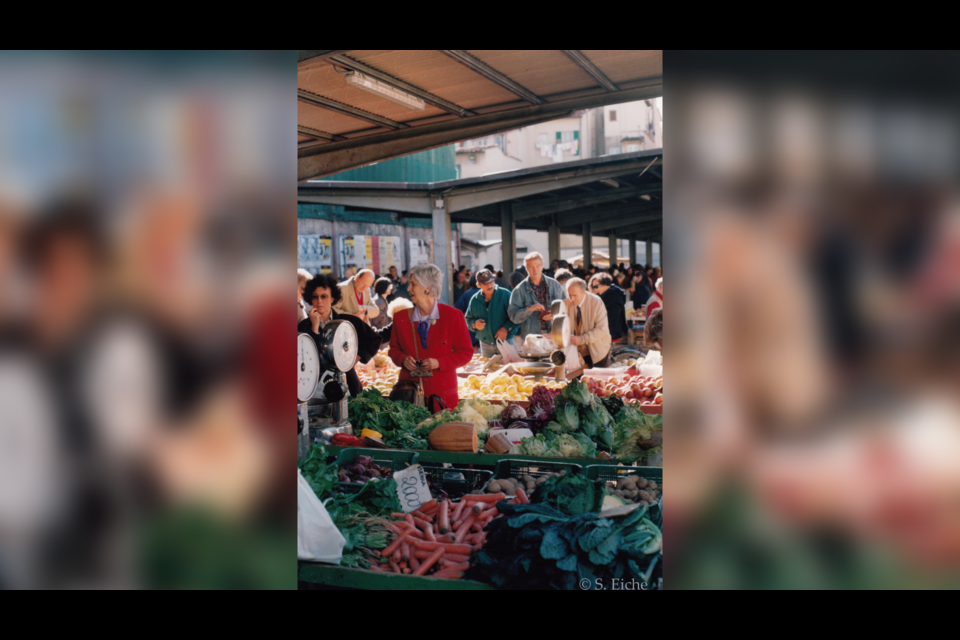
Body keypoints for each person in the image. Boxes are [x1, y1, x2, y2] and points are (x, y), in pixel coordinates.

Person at [388, 264, 473, 412]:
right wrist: (402, 358)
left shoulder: (453, 315)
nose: (408, 289)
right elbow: (393, 349)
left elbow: (466, 352)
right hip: (409, 396)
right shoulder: (400, 317)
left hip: (443, 396)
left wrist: (439, 362)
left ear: (427, 287)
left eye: (413, 284)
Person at [298, 274, 387, 397]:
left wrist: (351, 360)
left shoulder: (347, 321)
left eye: (324, 296)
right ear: (310, 299)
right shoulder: (303, 326)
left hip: (347, 384)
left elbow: (374, 339)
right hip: (314, 388)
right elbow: (304, 358)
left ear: (332, 298)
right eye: (315, 297)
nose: (319, 301)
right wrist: (314, 329)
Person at [508, 252, 567, 342]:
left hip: (553, 335)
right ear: (526, 268)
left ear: (542, 265)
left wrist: (554, 314)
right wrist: (529, 309)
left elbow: (566, 309)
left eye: (537, 265)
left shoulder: (555, 285)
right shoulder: (519, 290)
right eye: (531, 266)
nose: (535, 269)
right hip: (531, 339)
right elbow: (513, 317)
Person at [465, 269, 519, 358]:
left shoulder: (505, 294)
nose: (489, 285)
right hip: (485, 344)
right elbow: (467, 320)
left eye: (491, 281)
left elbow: (517, 316)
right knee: (488, 370)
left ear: (494, 280)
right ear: (479, 285)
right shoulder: (474, 300)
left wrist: (506, 328)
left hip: (505, 342)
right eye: (485, 283)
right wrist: (474, 324)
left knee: (509, 370)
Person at [562, 277, 612, 369]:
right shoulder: (565, 303)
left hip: (598, 351)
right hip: (576, 354)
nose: (571, 299)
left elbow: (602, 329)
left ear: (583, 292)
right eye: (569, 295)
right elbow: (562, 325)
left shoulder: (596, 302)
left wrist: (582, 339)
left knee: (598, 381)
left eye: (575, 295)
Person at [593, 273, 629, 343]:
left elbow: (612, 319)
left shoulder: (614, 296)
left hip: (610, 332)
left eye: (597, 286)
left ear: (605, 283)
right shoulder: (607, 294)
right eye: (594, 287)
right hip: (605, 331)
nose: (596, 289)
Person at [454, 274, 480, 347]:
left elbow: (457, 308)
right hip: (486, 326)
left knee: (474, 351)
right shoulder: (487, 293)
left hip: (471, 325)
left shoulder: (467, 294)